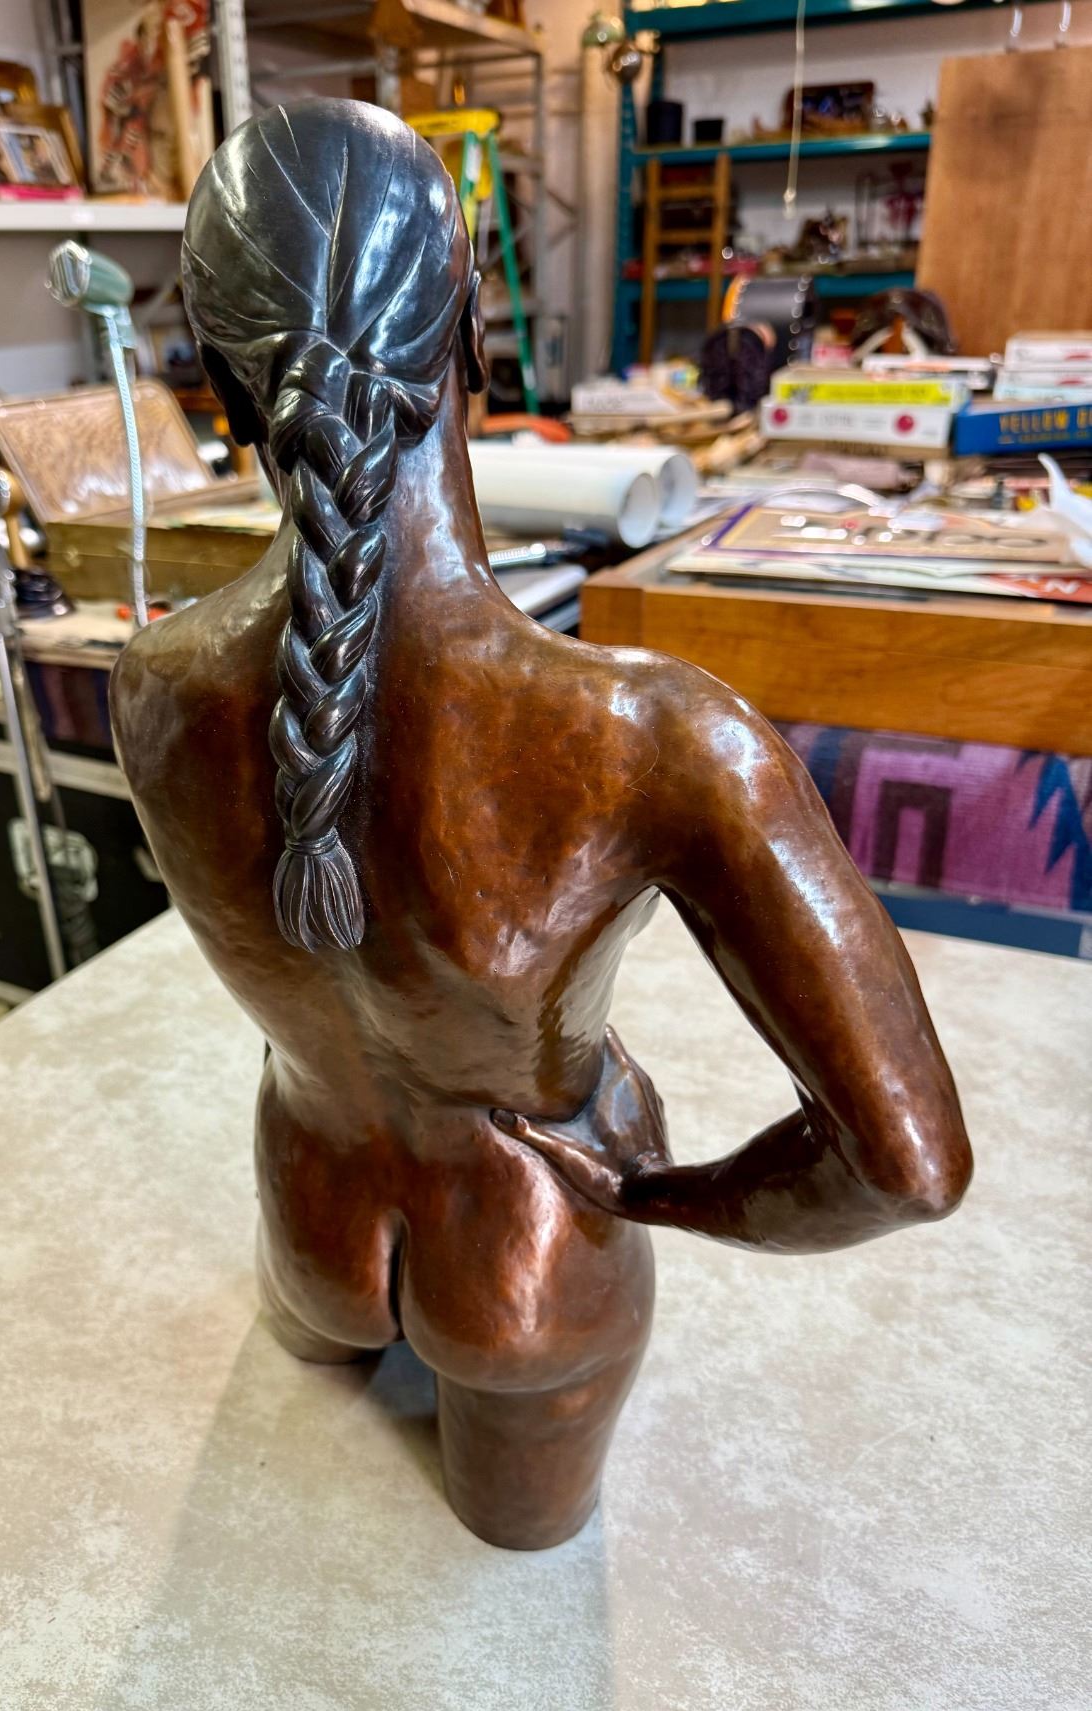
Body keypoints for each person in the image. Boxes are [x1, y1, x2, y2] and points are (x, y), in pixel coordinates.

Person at [110, 100, 971, 1551]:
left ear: (224, 385)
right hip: (531, 1262)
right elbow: (906, 1166)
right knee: (512, 1575)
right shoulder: (654, 734)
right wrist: (665, 1196)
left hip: (307, 1213)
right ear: (472, 337)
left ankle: (338, 1326)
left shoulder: (150, 686)